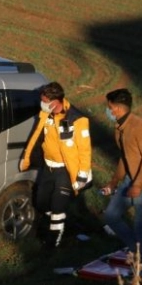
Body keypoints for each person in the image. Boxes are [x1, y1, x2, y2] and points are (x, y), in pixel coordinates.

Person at [100, 88, 142, 279]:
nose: (108, 111)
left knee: (141, 226)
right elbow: (125, 157)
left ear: (118, 109)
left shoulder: (140, 127)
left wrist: (138, 184)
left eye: (109, 107)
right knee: (111, 216)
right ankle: (136, 250)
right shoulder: (120, 128)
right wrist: (114, 182)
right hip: (131, 178)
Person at [19, 82, 92, 248]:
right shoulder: (46, 115)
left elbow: (84, 150)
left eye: (45, 101)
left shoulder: (77, 119)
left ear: (56, 102)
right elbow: (37, 135)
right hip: (48, 168)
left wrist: (82, 175)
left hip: (65, 170)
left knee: (57, 206)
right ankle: (63, 225)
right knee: (41, 202)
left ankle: (52, 244)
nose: (42, 104)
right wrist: (28, 157)